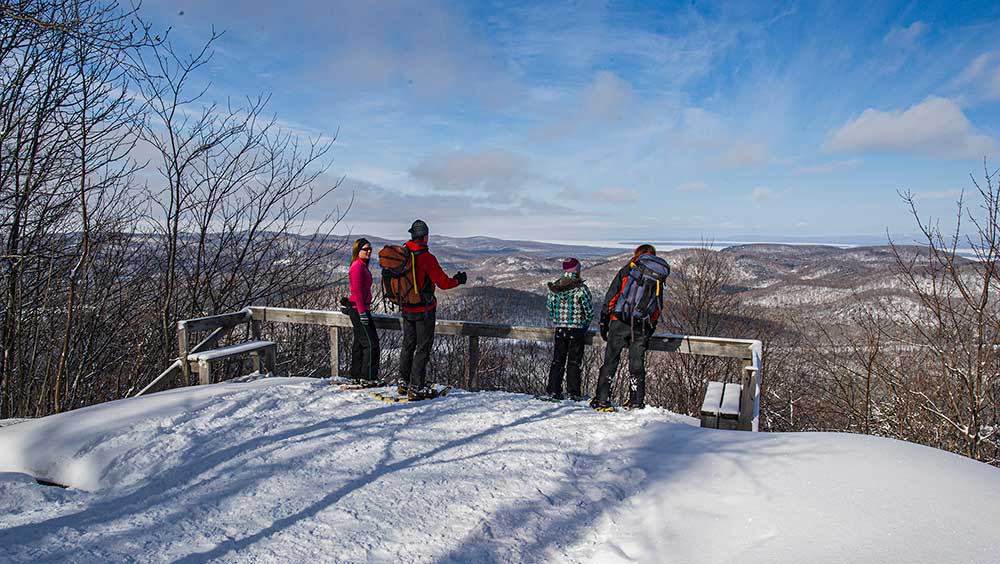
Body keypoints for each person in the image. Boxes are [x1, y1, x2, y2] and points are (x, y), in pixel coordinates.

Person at [398, 219, 466, 400]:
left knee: (408, 345)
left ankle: (403, 381)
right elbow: (443, 283)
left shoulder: (403, 253)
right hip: (423, 310)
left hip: (406, 307)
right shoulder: (426, 257)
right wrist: (458, 280)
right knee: (423, 347)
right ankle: (416, 386)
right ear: (425, 237)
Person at [592, 244, 665, 410]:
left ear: (637, 254)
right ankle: (636, 401)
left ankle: (602, 399)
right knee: (637, 364)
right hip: (642, 326)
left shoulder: (628, 271)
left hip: (620, 322)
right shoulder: (657, 276)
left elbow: (612, 297)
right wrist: (651, 325)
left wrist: (604, 320)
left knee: (611, 360)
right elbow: (657, 306)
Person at [544, 258, 592, 401]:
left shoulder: (554, 288)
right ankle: (573, 392)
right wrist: (585, 324)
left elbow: (550, 308)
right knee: (574, 362)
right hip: (576, 329)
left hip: (560, 328)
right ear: (577, 270)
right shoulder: (581, 289)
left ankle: (553, 390)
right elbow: (588, 310)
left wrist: (558, 319)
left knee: (557, 360)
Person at [342, 238, 380, 384]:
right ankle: (368, 377)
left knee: (359, 343)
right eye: (365, 249)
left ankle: (356, 374)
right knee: (371, 344)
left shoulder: (362, 266)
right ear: (358, 251)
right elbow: (356, 291)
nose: (368, 251)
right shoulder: (357, 267)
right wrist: (362, 312)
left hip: (360, 308)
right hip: (359, 309)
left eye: (370, 249)